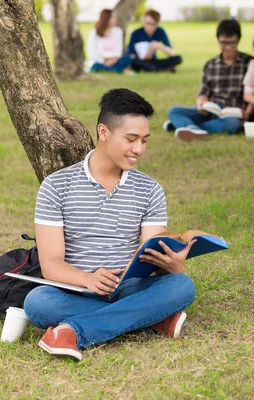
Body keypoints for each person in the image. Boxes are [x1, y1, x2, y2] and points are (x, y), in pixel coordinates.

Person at [23, 88, 196, 362]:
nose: (138, 149)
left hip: (129, 286)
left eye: (144, 141)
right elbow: (51, 264)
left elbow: (151, 254)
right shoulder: (56, 186)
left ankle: (72, 331)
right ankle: (148, 319)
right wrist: (88, 279)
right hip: (77, 289)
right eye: (131, 139)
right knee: (37, 303)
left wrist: (172, 264)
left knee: (181, 286)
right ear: (103, 132)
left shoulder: (150, 190)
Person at [164, 19, 254, 141]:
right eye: (223, 43)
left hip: (233, 113)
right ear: (218, 40)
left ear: (238, 40)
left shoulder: (250, 63)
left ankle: (185, 127)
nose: (227, 47)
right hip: (212, 110)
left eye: (232, 43)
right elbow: (203, 92)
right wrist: (202, 104)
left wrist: (248, 112)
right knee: (174, 111)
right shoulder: (211, 64)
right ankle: (190, 127)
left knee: (232, 124)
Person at [86, 9, 134, 74]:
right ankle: (121, 71)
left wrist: (113, 60)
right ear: (106, 18)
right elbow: (92, 53)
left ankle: (109, 69)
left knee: (128, 59)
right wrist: (103, 61)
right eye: (112, 17)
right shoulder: (94, 33)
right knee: (96, 66)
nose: (115, 19)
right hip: (99, 61)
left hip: (115, 61)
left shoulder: (118, 31)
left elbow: (118, 51)